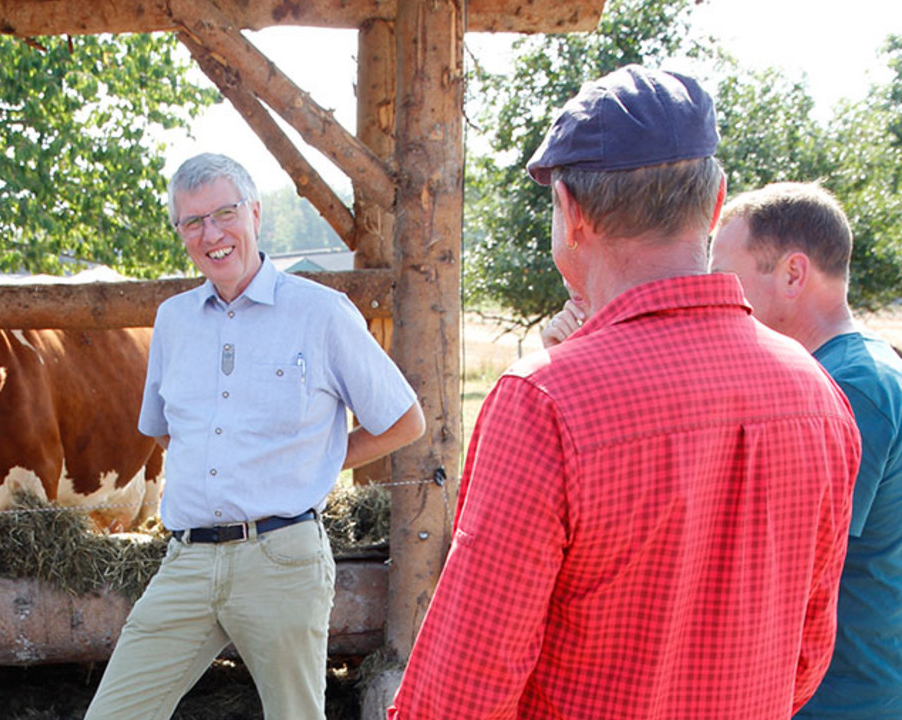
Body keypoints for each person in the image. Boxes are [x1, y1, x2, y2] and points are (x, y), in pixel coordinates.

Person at [389, 65, 860, 719]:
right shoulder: (819, 394)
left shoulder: (545, 402)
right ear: (718, 200)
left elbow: (463, 691)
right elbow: (807, 656)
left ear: (572, 214)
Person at [83, 152, 426, 720]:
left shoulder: (321, 314)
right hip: (188, 560)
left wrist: (316, 461)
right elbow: (169, 434)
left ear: (256, 214)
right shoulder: (172, 321)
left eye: (224, 213)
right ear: (181, 234)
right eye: (192, 222)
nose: (211, 234)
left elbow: (404, 420)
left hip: (281, 557)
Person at [711, 181, 902, 719]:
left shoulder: (854, 386)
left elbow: (779, 555)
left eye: (726, 276)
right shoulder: (844, 372)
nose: (716, 295)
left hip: (841, 698)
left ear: (793, 274)